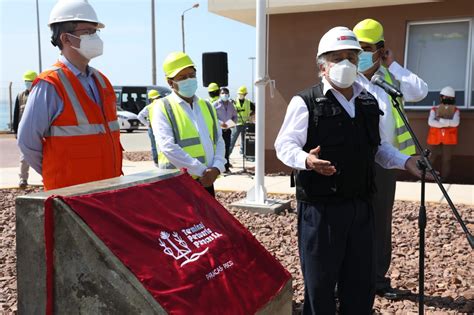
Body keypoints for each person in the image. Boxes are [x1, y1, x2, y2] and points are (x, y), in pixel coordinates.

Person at [274, 26, 424, 314]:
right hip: (322, 211)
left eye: (352, 58)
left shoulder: (368, 101)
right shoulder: (306, 102)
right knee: (320, 288)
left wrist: (405, 161)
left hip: (361, 206)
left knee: (360, 284)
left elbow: (377, 148)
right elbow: (284, 145)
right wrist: (306, 160)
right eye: (337, 57)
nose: (346, 63)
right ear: (322, 65)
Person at [353, 18, 429, 299]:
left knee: (381, 224)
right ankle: (347, 280)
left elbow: (420, 90)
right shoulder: (348, 80)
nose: (359, 54)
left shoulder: (387, 79)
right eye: (356, 48)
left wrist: (392, 64)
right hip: (356, 163)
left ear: (380, 50)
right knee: (351, 221)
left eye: (366, 48)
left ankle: (377, 281)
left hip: (386, 163)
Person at [17, 0, 122, 191]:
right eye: (88, 32)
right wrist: (58, 174)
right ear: (66, 39)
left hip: (108, 190)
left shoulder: (102, 81)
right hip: (70, 195)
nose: (95, 38)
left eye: (96, 32)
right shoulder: (50, 84)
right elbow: (27, 142)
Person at [151, 52, 226, 197]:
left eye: (192, 75)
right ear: (170, 82)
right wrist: (202, 171)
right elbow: (168, 147)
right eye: (182, 77)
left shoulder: (207, 106)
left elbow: (219, 140)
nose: (189, 80)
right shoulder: (162, 107)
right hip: (177, 185)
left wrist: (217, 168)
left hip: (207, 182)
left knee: (207, 219)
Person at [427, 86, 460, 180]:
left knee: (446, 160)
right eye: (445, 97)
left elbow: (455, 123)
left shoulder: (455, 110)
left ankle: (444, 178)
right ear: (441, 97)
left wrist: (440, 120)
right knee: (430, 158)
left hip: (449, 139)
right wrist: (447, 123)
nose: (446, 99)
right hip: (434, 138)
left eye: (449, 97)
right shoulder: (434, 109)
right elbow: (431, 122)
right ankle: (426, 177)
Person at [13, 70, 38, 189]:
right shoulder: (20, 96)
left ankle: (46, 178)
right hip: (25, 132)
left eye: (30, 81)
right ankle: (23, 179)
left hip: (38, 131)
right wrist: (16, 131)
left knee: (44, 156)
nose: (27, 83)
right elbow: (16, 114)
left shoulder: (40, 94)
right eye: (26, 81)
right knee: (24, 157)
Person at [213, 87, 237, 172]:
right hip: (218, 130)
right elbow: (212, 117)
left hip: (228, 130)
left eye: (226, 93)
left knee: (226, 148)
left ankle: (226, 167)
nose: (225, 95)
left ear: (229, 95)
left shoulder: (231, 105)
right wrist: (221, 124)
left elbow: (235, 117)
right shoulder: (215, 104)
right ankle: (217, 167)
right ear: (220, 94)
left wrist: (229, 125)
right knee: (218, 149)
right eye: (223, 93)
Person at [229, 85, 255, 155]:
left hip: (245, 123)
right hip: (237, 124)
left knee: (244, 140)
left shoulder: (248, 102)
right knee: (232, 140)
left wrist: (249, 115)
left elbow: (254, 109)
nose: (240, 95)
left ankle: (243, 153)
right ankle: (227, 155)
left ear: (245, 94)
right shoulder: (234, 102)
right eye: (239, 94)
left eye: (242, 94)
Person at [137, 89, 161, 166]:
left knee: (154, 146)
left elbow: (140, 116)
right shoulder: (162, 105)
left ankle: (156, 162)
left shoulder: (149, 107)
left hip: (152, 128)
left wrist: (147, 124)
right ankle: (159, 161)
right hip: (158, 128)